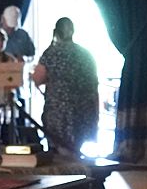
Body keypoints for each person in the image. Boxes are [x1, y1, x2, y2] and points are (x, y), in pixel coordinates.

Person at [32, 17, 98, 159]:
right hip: (83, 109)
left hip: (58, 111)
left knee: (59, 152)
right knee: (75, 149)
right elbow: (93, 83)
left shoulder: (51, 53)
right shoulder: (86, 54)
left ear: (56, 32)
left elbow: (38, 78)